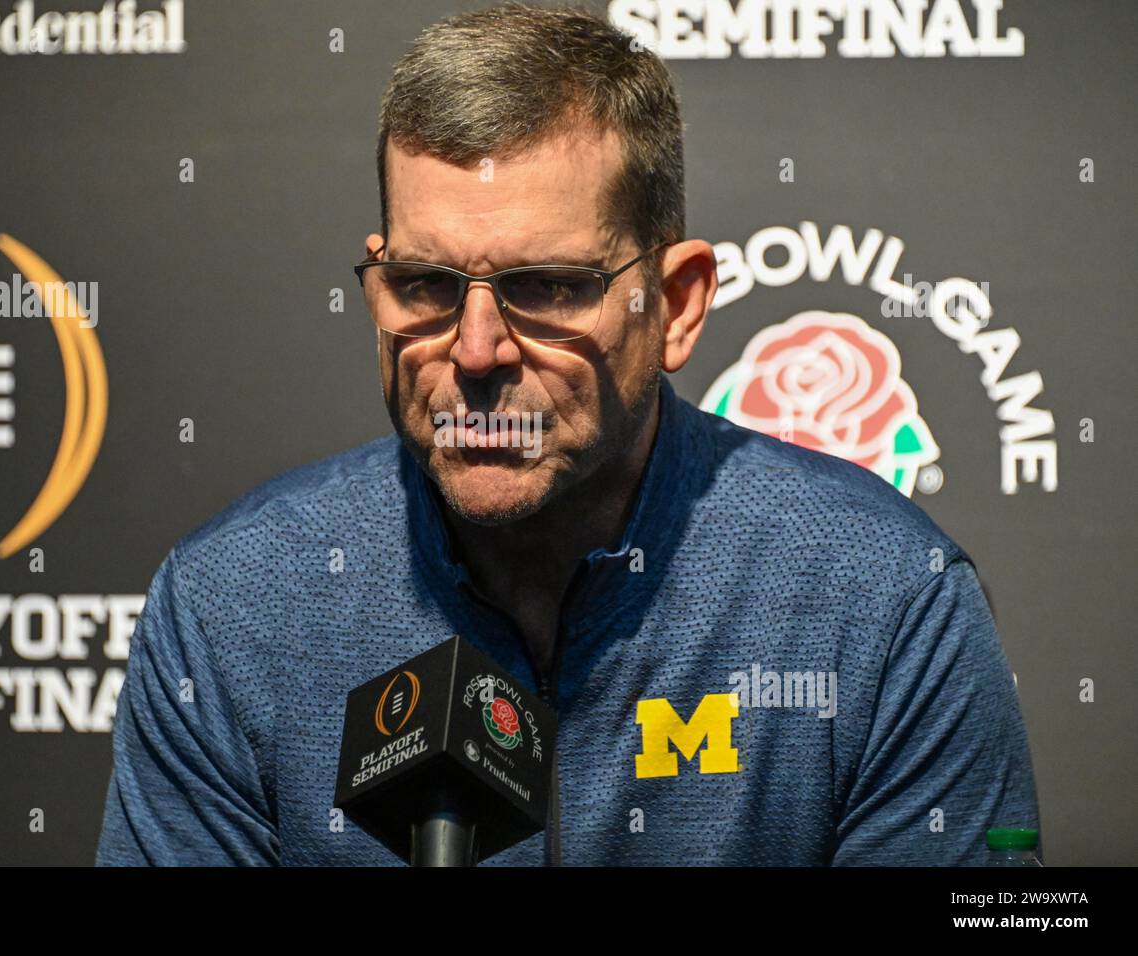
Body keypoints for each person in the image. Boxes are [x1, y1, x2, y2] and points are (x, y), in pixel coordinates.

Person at [95, 2, 1039, 866]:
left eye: (546, 288)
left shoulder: (882, 607)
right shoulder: (232, 610)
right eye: (425, 286)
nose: (474, 353)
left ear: (673, 304)